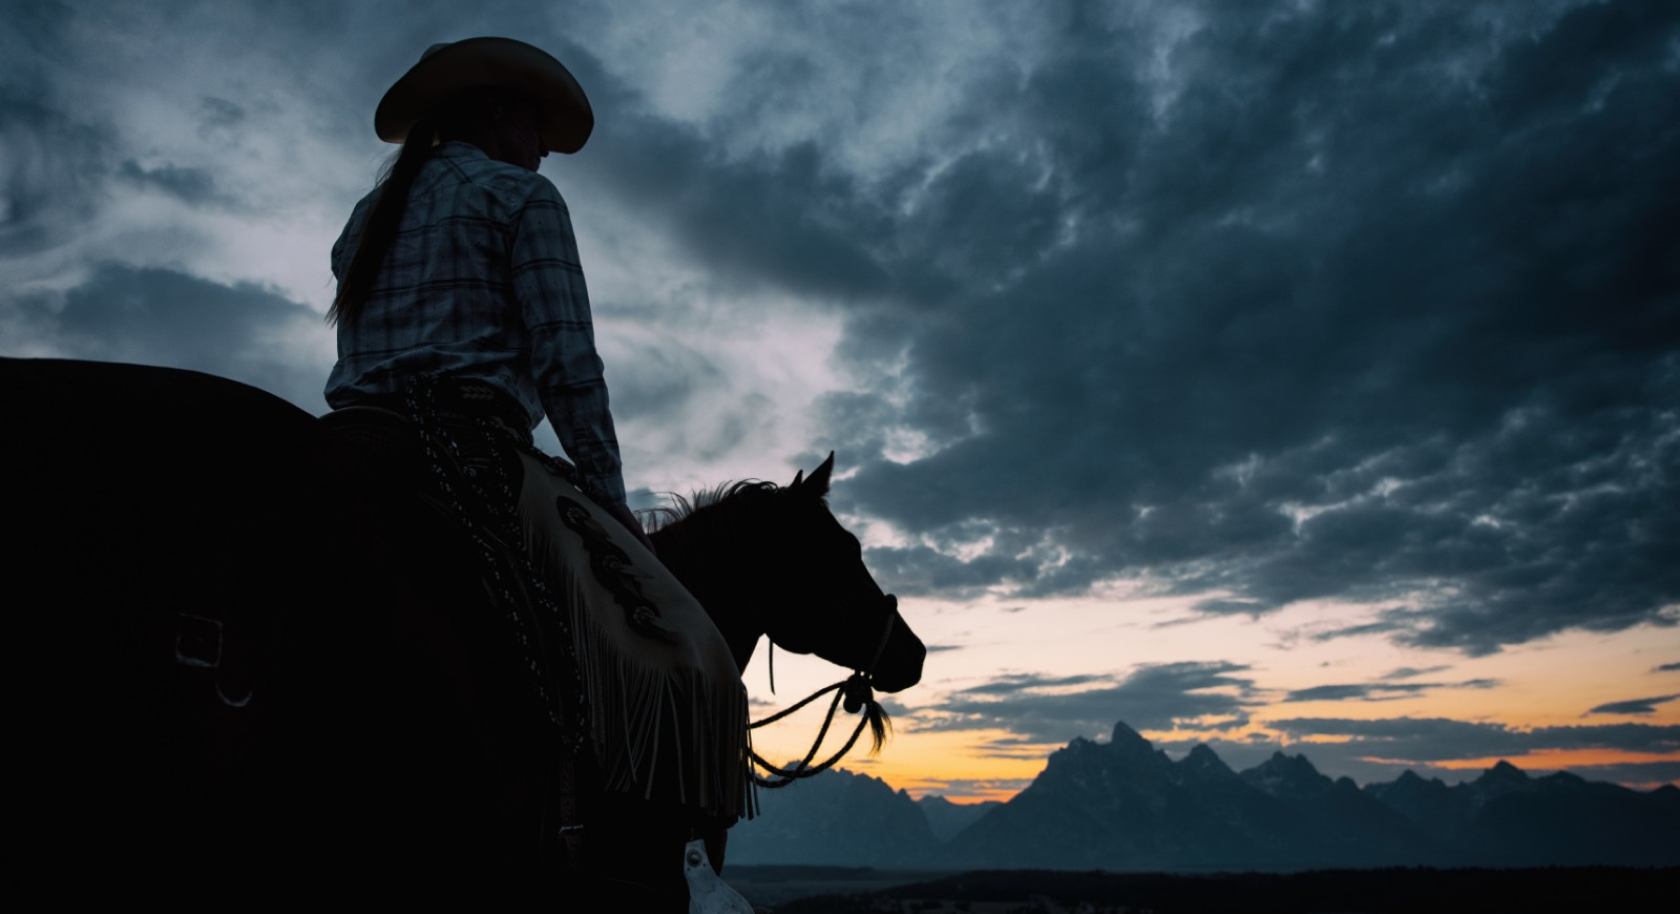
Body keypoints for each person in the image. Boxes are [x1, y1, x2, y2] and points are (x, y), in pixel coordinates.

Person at [322, 38, 748, 897]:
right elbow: (566, 364)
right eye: (532, 119)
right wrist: (611, 499)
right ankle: (656, 856)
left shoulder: (364, 222)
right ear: (488, 111)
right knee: (687, 645)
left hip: (352, 432)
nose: (544, 143)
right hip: (474, 448)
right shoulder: (522, 196)